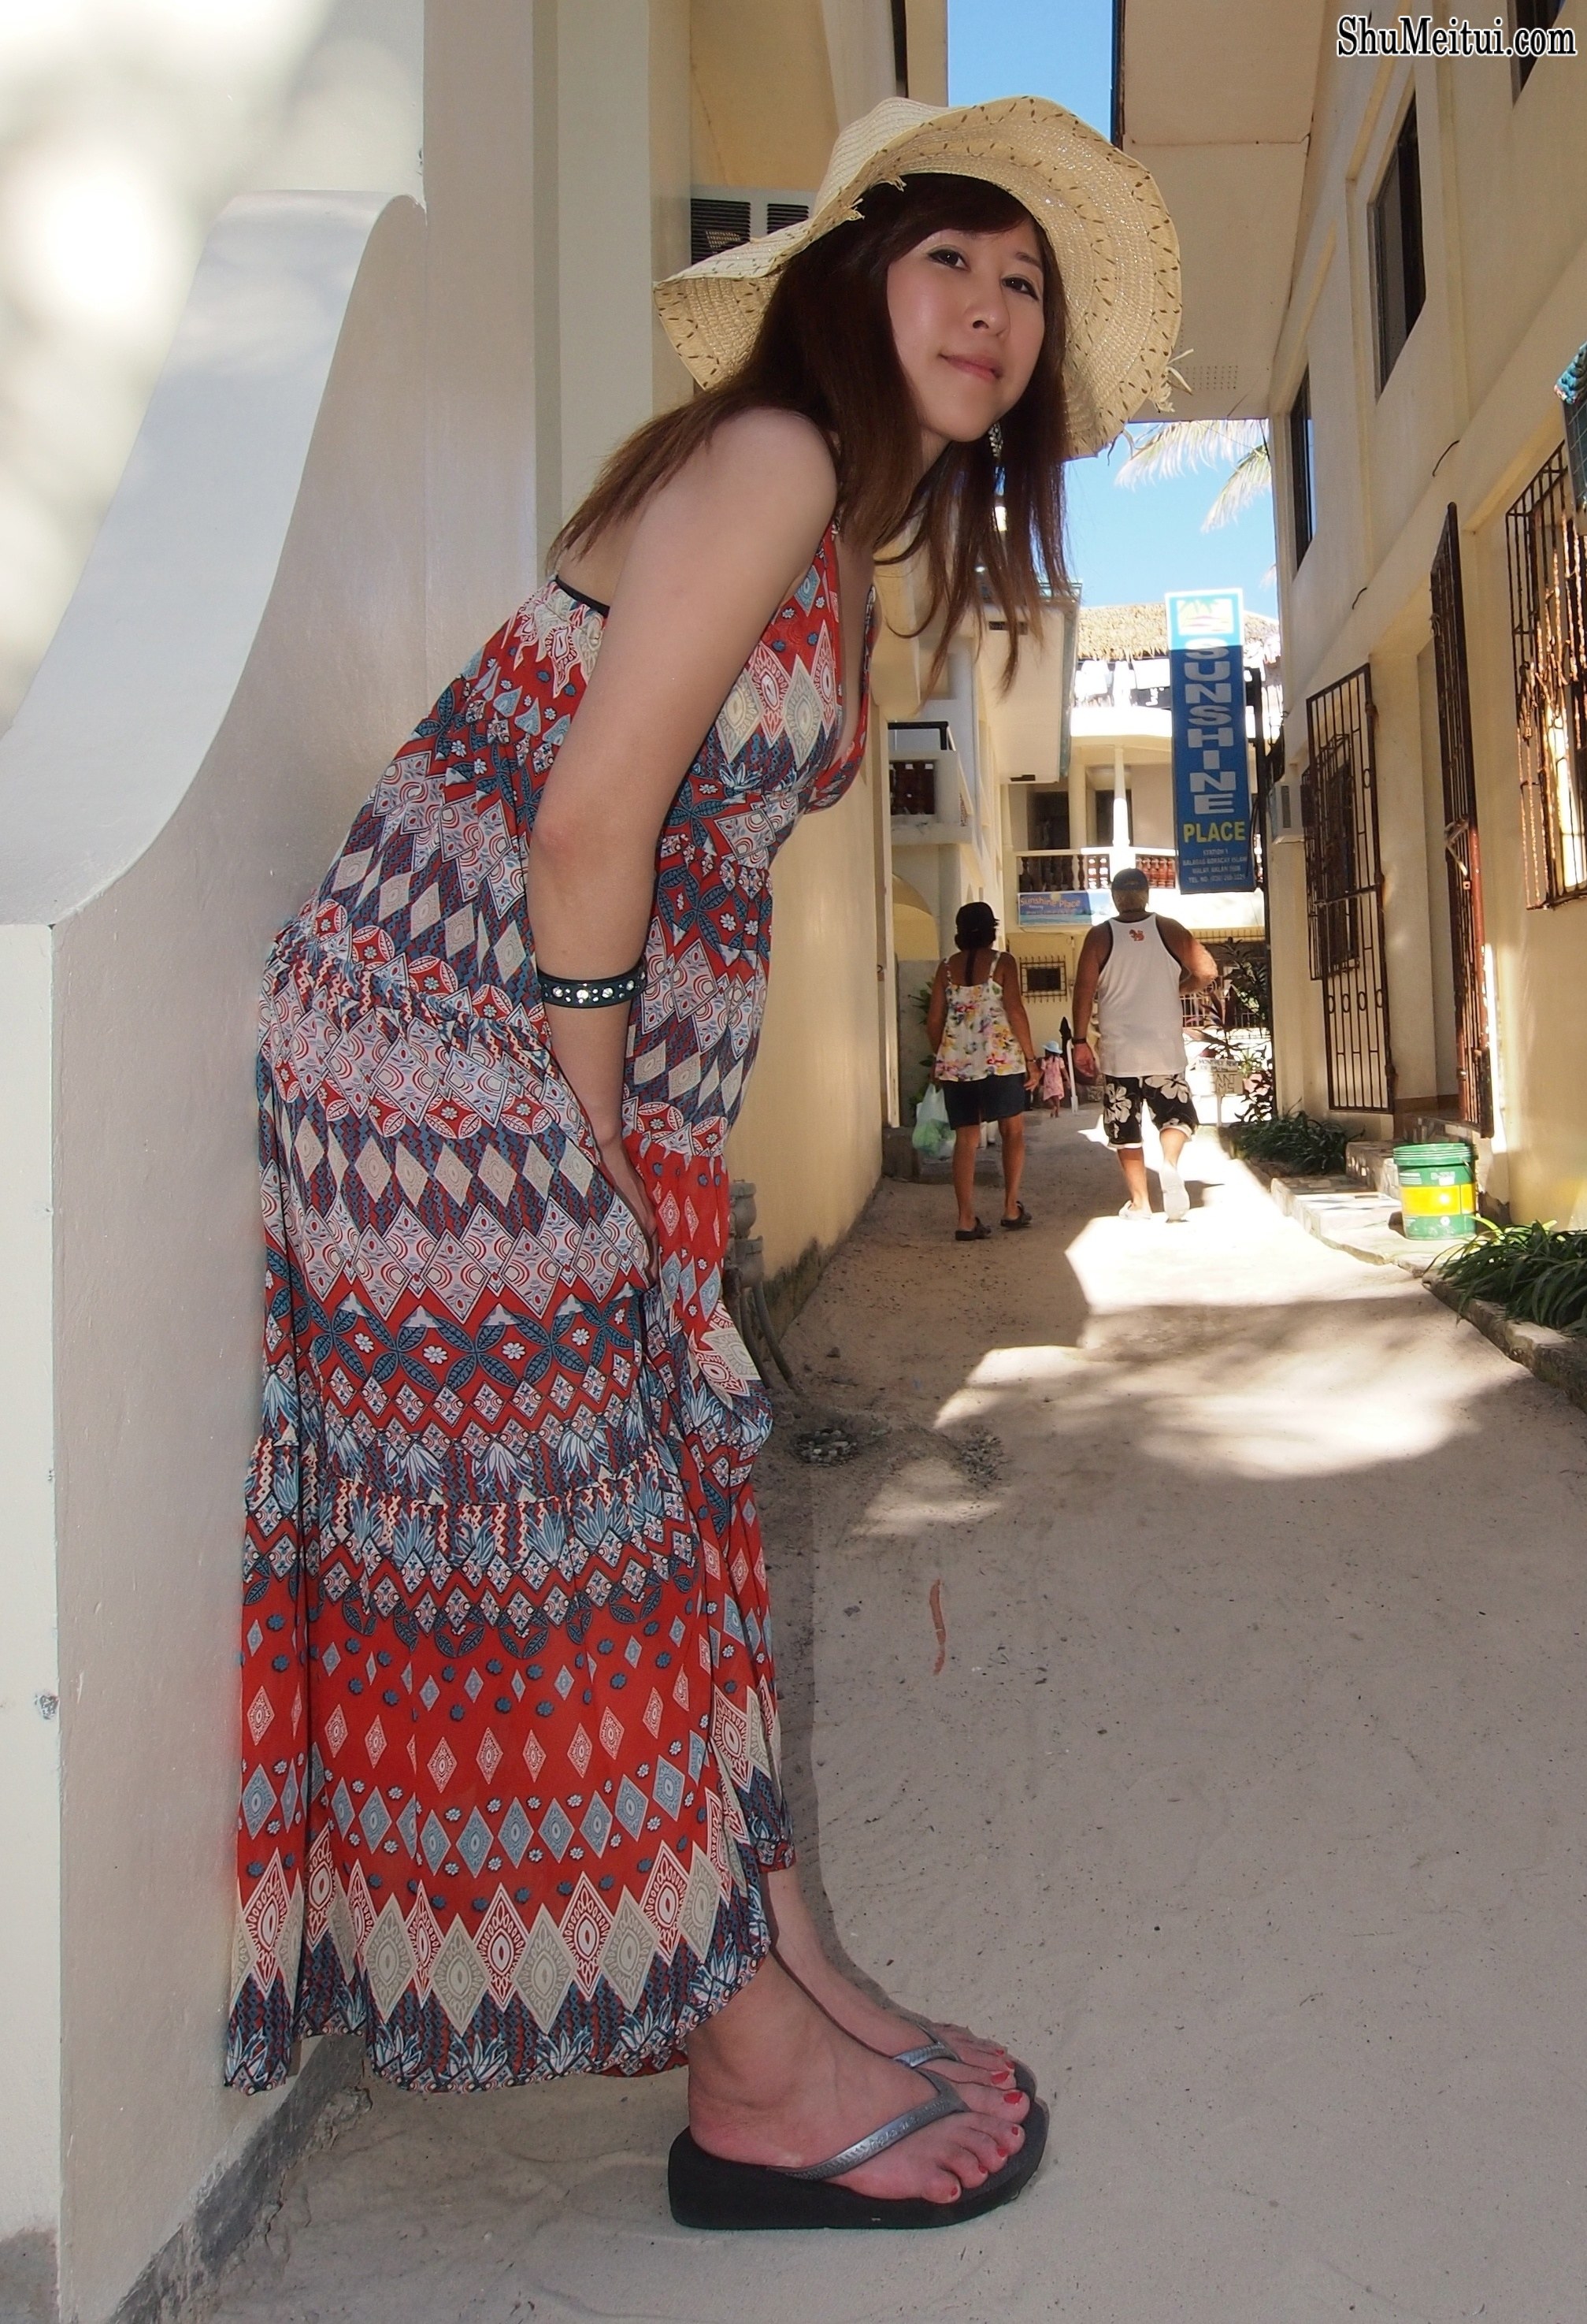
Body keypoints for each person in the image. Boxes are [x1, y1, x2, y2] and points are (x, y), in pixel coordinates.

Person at [225, 94, 1179, 2230]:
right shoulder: (764, 460)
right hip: (452, 1050)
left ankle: (789, 1967)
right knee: (589, 1571)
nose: (989, 307)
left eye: (1022, 282)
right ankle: (748, 2078)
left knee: (684, 1543)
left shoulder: (827, 528)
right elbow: (587, 820)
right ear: (847, 277)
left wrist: (631, 1139)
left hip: (555, 1064)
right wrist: (582, 1139)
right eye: (946, 257)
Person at [1070, 866, 1219, 1220]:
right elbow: (1208, 971)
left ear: (1115, 898)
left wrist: (1079, 1041)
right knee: (1175, 1116)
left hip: (1120, 1051)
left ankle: (1140, 1204)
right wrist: (1179, 988)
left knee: (1125, 1128)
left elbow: (1084, 991)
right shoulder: (1169, 929)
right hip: (1164, 1048)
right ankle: (1169, 1164)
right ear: (1147, 895)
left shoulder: (1099, 936)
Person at [925, 900, 1040, 1238]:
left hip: (958, 1065)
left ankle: (965, 1219)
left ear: (959, 932)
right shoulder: (1002, 962)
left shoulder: (946, 968)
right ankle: (1010, 1207)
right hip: (1001, 1061)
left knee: (966, 1138)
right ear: (992, 929)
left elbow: (934, 1020)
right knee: (1012, 1131)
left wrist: (943, 1056)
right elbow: (1015, 1010)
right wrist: (1031, 1060)